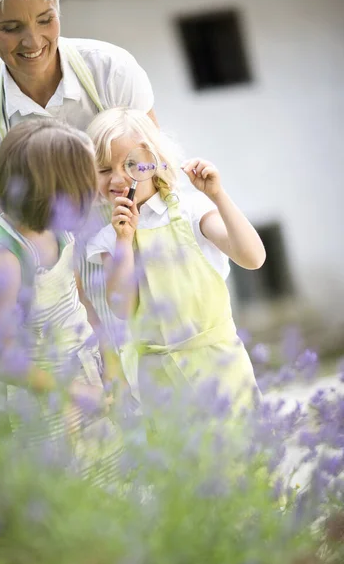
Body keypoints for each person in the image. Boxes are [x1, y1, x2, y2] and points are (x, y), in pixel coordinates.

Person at [0, 0, 158, 356]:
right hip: (58, 277)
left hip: (136, 250)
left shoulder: (111, 69)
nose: (33, 40)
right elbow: (11, 224)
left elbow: (154, 175)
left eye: (46, 20)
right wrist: (89, 327)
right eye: (11, 27)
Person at [0, 118, 123, 483]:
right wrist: (72, 393)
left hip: (89, 378)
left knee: (115, 485)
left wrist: (110, 359)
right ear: (55, 189)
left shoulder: (58, 226)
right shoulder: (2, 257)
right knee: (71, 499)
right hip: (48, 403)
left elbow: (78, 297)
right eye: (86, 183)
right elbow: (2, 358)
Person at [86, 108, 266, 411]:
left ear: (154, 162)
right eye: (103, 170)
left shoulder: (192, 211)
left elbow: (253, 257)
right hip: (161, 381)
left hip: (222, 368)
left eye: (130, 164)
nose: (117, 178)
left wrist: (218, 196)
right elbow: (121, 307)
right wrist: (124, 242)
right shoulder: (109, 238)